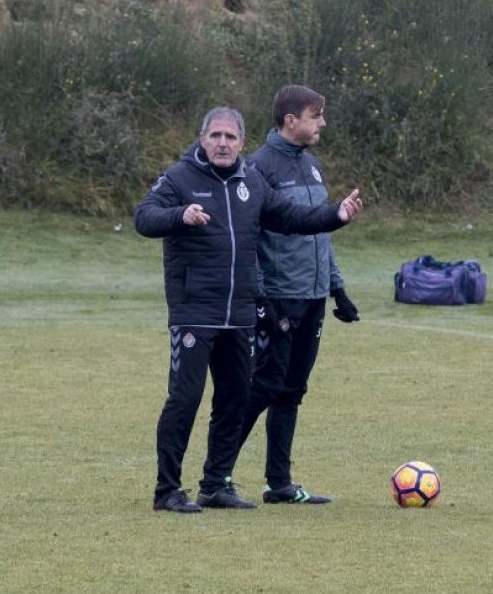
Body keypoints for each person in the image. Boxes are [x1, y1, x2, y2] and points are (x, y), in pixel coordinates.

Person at [134, 106, 362, 513]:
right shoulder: (179, 178)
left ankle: (215, 484)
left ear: (241, 143)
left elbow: (289, 216)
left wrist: (334, 216)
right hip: (195, 312)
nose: (223, 143)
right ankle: (167, 490)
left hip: (240, 313)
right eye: (215, 136)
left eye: (231, 137)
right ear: (202, 139)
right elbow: (144, 218)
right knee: (185, 399)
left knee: (235, 399)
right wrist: (179, 215)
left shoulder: (250, 180)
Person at [237, 85, 359, 505]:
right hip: (278, 297)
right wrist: (261, 298)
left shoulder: (312, 165)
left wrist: (337, 288)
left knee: (292, 391)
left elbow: (320, 230)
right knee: (263, 387)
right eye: (316, 114)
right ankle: (217, 476)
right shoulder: (257, 169)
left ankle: (279, 484)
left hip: (314, 296)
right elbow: (248, 240)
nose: (322, 122)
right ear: (292, 121)